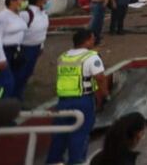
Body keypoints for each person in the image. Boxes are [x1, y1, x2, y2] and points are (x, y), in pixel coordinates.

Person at [45, 29, 106, 165]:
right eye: (93, 38)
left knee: (59, 136)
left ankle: (53, 162)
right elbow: (100, 78)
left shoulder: (63, 56)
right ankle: (76, 162)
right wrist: (104, 96)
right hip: (83, 101)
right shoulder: (92, 57)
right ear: (88, 40)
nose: (94, 41)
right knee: (80, 135)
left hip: (63, 101)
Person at [15, 0, 51, 102]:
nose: (48, 2)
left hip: (36, 47)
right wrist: (17, 49)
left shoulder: (43, 13)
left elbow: (43, 31)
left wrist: (41, 46)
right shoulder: (26, 13)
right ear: (39, 0)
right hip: (25, 48)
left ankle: (18, 95)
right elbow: (17, 31)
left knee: (28, 72)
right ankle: (14, 98)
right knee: (20, 73)